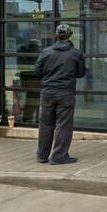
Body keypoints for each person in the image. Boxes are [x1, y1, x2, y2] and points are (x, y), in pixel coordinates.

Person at [35, 24, 86, 165]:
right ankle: (59, 157)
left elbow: (37, 72)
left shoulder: (46, 52)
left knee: (45, 124)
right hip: (65, 93)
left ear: (56, 35)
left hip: (47, 93)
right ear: (69, 35)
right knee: (63, 125)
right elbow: (81, 73)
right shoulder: (76, 53)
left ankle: (42, 156)